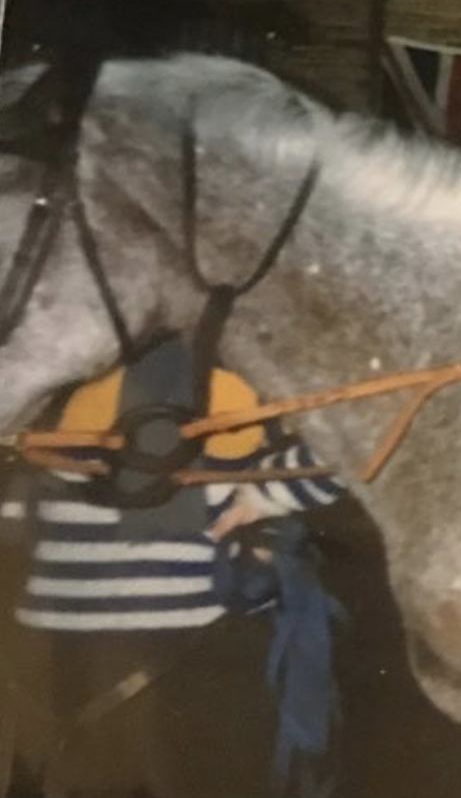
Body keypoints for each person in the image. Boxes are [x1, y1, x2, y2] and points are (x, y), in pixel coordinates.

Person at [0, 333, 343, 798]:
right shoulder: (47, 352)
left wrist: (268, 496)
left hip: (189, 660)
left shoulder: (245, 348)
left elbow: (357, 436)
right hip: (60, 666)